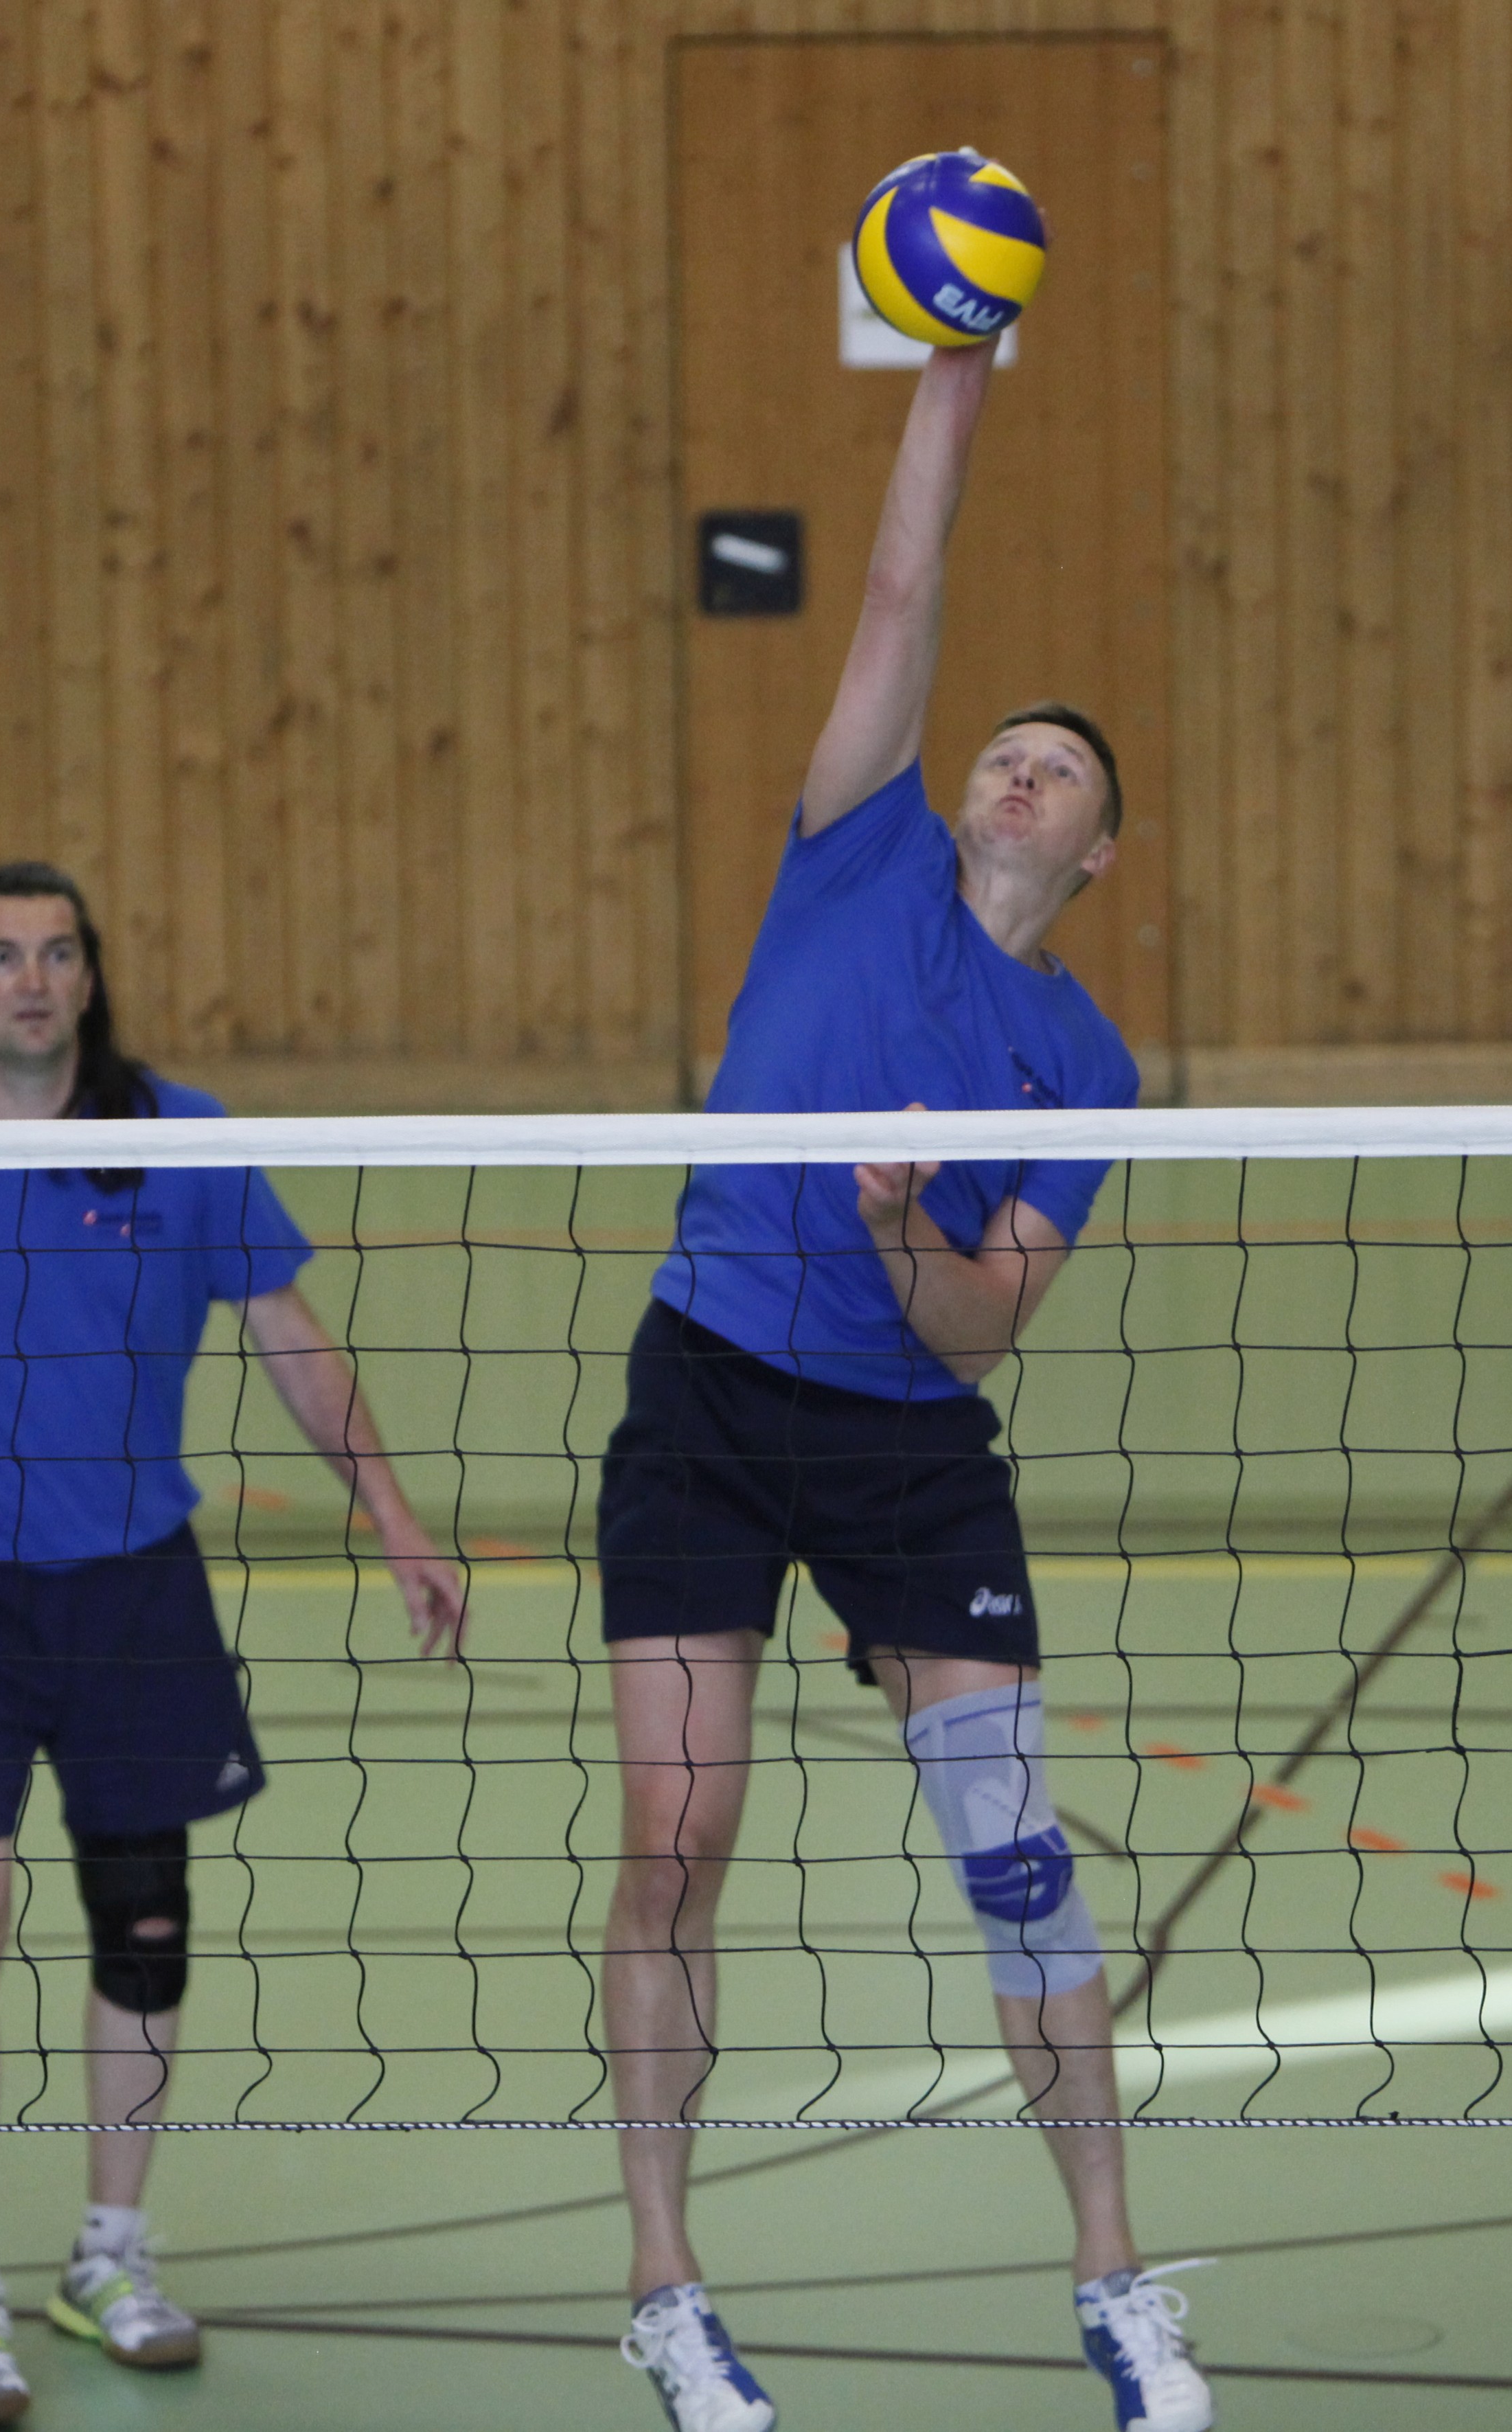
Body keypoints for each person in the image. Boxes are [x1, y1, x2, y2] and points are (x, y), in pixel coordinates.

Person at [598, 341, 1214, 2432]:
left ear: (1098, 851)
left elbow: (975, 1331)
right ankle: (668, 2292)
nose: (1020, 771)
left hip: (904, 1445)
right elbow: (895, 589)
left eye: (1061, 773)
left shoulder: (1085, 1067)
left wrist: (888, 1232)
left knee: (1013, 1849)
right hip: (705, 1390)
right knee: (675, 1837)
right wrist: (956, 366)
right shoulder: (854, 845)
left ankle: (1115, 2281)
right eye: (1006, 752)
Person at [0, 861, 464, 2432]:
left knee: (145, 1924)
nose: (30, 980)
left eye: (57, 953)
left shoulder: (184, 1139)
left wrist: (396, 1515)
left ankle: (109, 2252)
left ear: (89, 978)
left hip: (137, 1582)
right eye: (0, 955)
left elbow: (291, 1338)